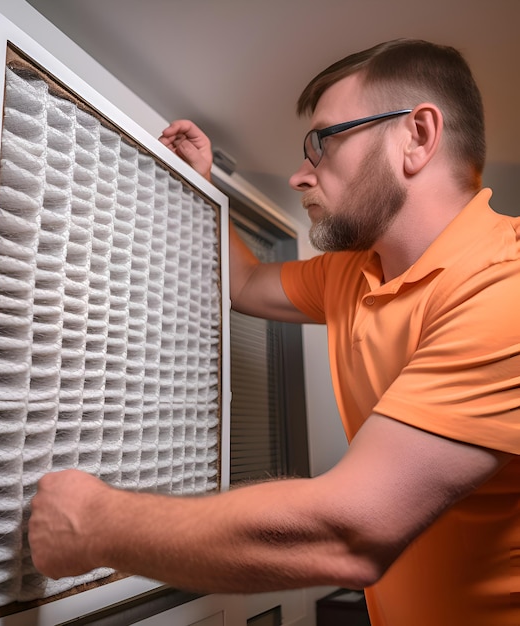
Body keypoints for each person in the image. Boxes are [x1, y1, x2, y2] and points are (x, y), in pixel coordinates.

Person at [28, 39, 520, 625]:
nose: (298, 175)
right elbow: (247, 282)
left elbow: (350, 534)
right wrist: (203, 186)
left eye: (323, 143)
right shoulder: (354, 274)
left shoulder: (503, 287)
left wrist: (96, 525)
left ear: (416, 136)